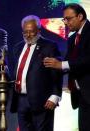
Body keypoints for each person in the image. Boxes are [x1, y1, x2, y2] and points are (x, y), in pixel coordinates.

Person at [10, 15, 62, 131]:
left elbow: (57, 72)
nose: (28, 35)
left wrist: (55, 96)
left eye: (31, 32)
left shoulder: (49, 46)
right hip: (21, 100)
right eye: (25, 32)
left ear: (39, 30)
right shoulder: (17, 48)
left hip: (42, 101)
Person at [43, 3, 90, 131]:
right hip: (82, 96)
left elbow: (87, 60)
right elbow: (66, 64)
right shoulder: (72, 39)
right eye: (64, 19)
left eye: (68, 19)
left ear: (80, 16)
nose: (65, 22)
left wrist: (61, 64)